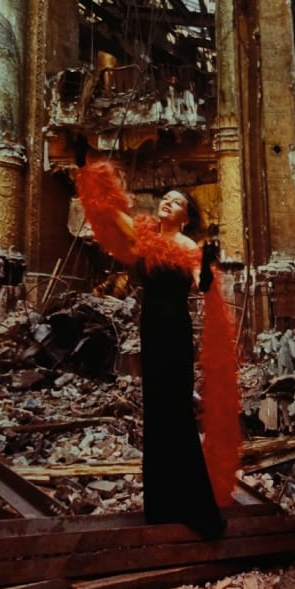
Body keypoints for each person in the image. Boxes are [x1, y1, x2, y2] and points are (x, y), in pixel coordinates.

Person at [75, 161, 236, 540]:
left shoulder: (189, 247)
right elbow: (114, 216)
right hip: (151, 331)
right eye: (166, 197)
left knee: (177, 410)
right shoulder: (143, 237)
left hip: (176, 334)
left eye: (176, 200)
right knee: (157, 413)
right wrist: (91, 175)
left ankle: (194, 508)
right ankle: (162, 506)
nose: (167, 202)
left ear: (185, 216)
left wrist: (210, 267)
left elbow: (202, 285)